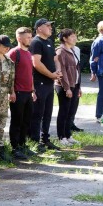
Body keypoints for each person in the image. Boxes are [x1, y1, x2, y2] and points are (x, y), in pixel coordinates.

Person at [29, 18, 62, 150]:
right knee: (38, 113)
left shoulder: (49, 41)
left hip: (49, 83)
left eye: (50, 26)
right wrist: (51, 74)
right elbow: (36, 63)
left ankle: (45, 139)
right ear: (39, 28)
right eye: (47, 25)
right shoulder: (36, 42)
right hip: (40, 82)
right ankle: (35, 141)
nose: (50, 27)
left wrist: (58, 70)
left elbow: (55, 59)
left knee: (48, 112)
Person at [8, 28, 36, 160]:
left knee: (26, 120)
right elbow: (9, 74)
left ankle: (22, 144)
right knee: (16, 120)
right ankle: (14, 148)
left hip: (28, 92)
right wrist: (11, 91)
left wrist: (33, 90)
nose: (30, 39)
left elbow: (30, 74)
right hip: (17, 92)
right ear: (19, 38)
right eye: (27, 37)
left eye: (30, 37)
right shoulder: (14, 53)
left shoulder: (29, 53)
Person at [54, 29, 81, 146]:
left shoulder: (72, 50)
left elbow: (77, 69)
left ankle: (68, 135)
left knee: (71, 112)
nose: (75, 38)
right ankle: (61, 137)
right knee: (64, 112)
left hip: (74, 85)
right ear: (65, 38)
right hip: (64, 86)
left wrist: (78, 87)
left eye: (75, 36)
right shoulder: (60, 51)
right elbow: (62, 71)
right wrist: (67, 88)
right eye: (72, 36)